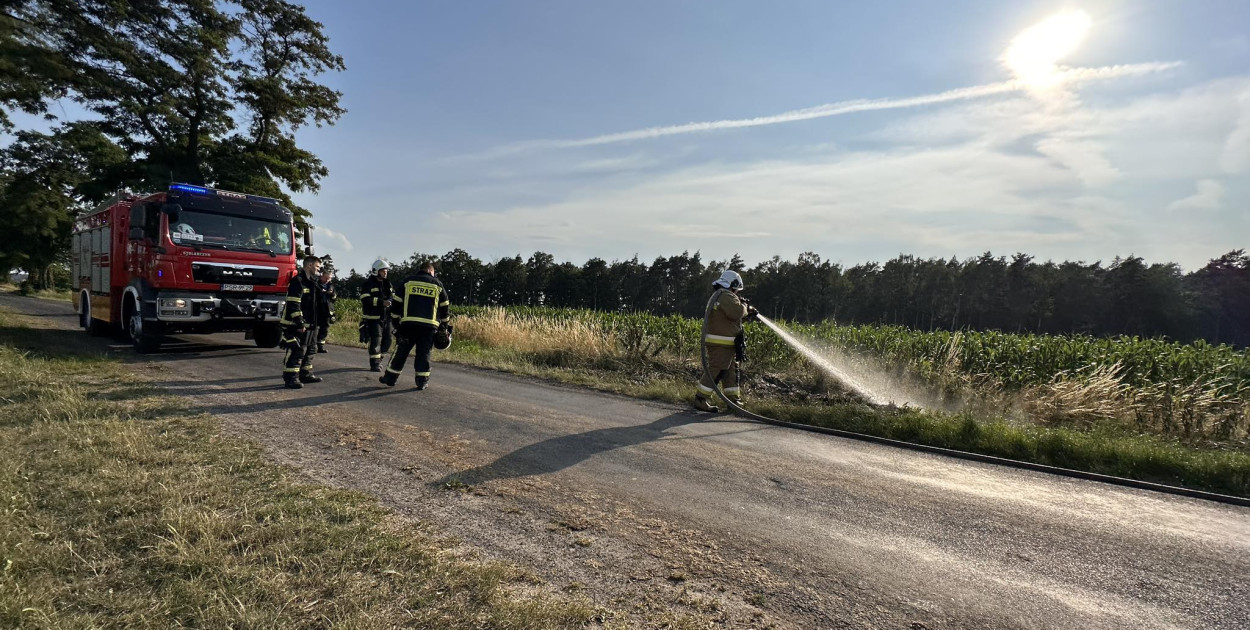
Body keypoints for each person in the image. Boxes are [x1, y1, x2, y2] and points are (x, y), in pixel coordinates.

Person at [379, 261, 450, 390]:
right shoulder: (438, 285)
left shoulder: (408, 282)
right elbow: (445, 307)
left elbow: (396, 303)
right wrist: (444, 326)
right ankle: (421, 382)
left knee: (401, 352)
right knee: (424, 354)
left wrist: (396, 324)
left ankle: (390, 378)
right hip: (429, 328)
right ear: (430, 271)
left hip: (408, 325)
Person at [694, 270, 758, 412]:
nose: (737, 292)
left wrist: (747, 315)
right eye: (736, 289)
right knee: (716, 370)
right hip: (721, 344)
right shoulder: (726, 295)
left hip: (726, 344)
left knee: (730, 372)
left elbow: (732, 320)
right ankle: (700, 399)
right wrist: (746, 308)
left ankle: (733, 401)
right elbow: (736, 312)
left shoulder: (722, 296)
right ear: (733, 284)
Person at [279, 256, 325, 389]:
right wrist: (299, 323)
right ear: (309, 265)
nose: (319, 269)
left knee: (311, 349)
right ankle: (290, 378)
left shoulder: (313, 283)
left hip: (311, 324)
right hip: (295, 324)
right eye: (317, 266)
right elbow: (294, 304)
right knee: (297, 350)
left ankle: (305, 374)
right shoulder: (298, 281)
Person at [360, 258, 395, 371]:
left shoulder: (388, 283)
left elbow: (392, 295)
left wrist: (390, 301)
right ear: (376, 271)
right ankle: (374, 364)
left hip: (387, 317)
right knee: (376, 340)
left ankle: (379, 359)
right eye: (383, 270)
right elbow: (365, 298)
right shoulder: (368, 283)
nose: (385, 272)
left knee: (388, 339)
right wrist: (381, 302)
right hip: (373, 318)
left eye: (386, 271)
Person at [316, 262, 337, 353]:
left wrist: (332, 294)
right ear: (322, 276)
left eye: (329, 278)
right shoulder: (316, 284)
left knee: (324, 328)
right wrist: (323, 292)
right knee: (312, 327)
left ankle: (320, 346)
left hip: (327, 310)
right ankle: (308, 344)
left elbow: (334, 298)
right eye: (326, 278)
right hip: (317, 309)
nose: (328, 280)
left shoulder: (331, 286)